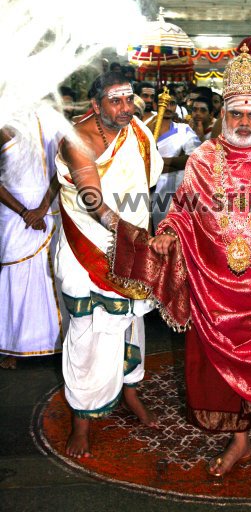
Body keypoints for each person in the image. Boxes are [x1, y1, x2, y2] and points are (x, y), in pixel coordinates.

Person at [108, 46, 251, 477]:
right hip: (217, 286)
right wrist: (169, 232)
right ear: (224, 113)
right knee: (224, 370)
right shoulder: (203, 159)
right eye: (236, 113)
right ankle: (239, 440)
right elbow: (182, 210)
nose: (244, 122)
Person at [55, 71, 163, 458]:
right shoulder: (77, 138)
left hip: (132, 243)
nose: (125, 108)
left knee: (130, 320)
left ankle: (129, 391)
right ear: (95, 104)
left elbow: (148, 180)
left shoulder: (137, 133)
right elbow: (91, 199)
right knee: (87, 331)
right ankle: (81, 419)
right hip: (88, 246)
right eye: (115, 101)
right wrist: (126, 231)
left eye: (129, 99)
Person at [0, 112, 67, 369]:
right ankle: (16, 347)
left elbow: (63, 168)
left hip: (49, 207)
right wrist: (24, 212)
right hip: (14, 213)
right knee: (16, 273)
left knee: (52, 274)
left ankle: (59, 342)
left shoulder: (52, 124)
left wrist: (41, 209)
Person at [152, 95, 201, 230]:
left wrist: (157, 163)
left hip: (170, 189)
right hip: (144, 189)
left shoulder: (183, 130)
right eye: (163, 103)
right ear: (155, 105)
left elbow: (194, 158)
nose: (168, 107)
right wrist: (174, 163)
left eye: (172, 103)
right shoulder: (144, 128)